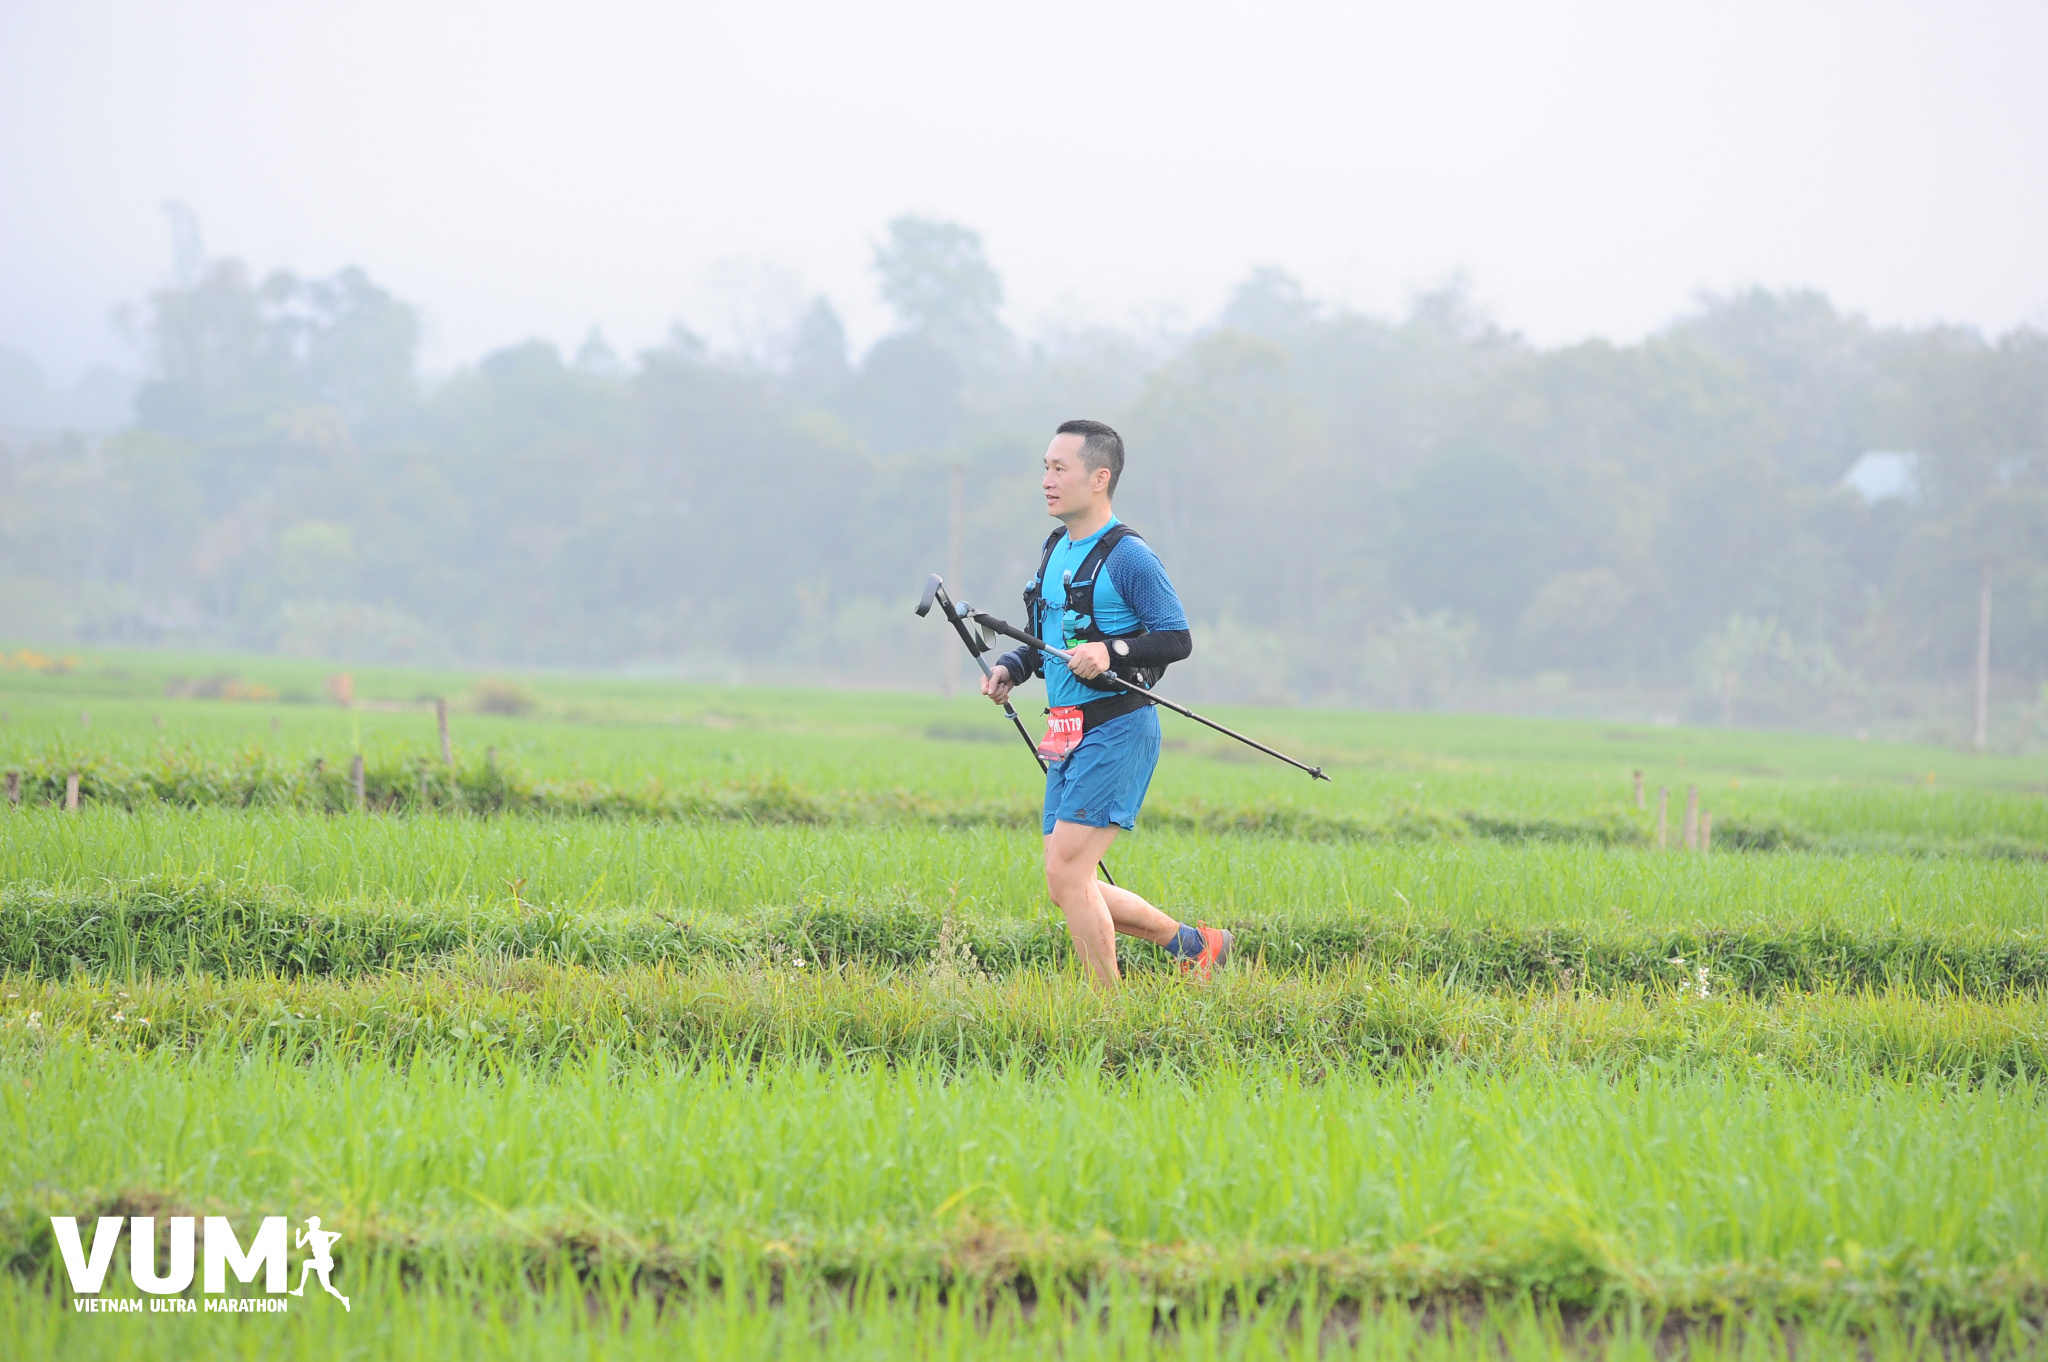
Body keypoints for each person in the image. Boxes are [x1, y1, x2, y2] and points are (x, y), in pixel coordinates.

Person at [981, 419, 1233, 988]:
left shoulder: (1129, 557)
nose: (1046, 480)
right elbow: (1044, 636)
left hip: (1117, 727)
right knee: (1065, 882)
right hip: (1065, 730)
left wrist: (1112, 649)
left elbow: (1176, 638)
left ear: (1099, 478)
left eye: (1059, 469)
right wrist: (1011, 667)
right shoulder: (1056, 548)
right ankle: (1196, 946)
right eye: (1045, 468)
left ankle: (1106, 1009)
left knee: (1069, 875)